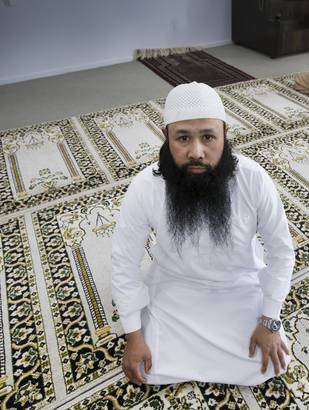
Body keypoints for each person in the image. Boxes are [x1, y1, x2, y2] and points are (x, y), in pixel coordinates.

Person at [112, 82, 295, 386]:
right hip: (174, 287)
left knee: (271, 364)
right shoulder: (146, 186)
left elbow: (281, 251)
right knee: (147, 368)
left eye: (208, 137)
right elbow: (124, 260)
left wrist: (269, 320)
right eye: (183, 138)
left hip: (239, 286)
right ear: (166, 137)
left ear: (224, 135)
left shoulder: (252, 179)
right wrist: (133, 336)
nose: (196, 152)